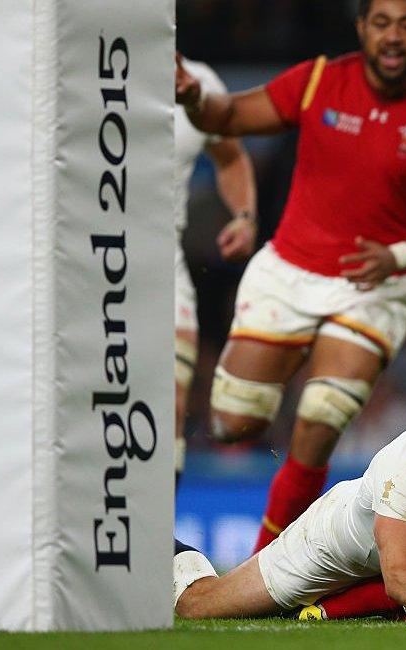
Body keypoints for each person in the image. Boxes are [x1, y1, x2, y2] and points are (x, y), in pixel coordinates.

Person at [175, 0, 406, 553]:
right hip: (289, 272)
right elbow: (229, 117)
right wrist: (195, 97)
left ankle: (266, 564)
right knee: (231, 424)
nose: (393, 37)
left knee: (321, 416)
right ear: (361, 27)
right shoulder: (317, 82)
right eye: (381, 23)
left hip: (372, 286)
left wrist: (400, 255)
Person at [173, 350, 406, 623]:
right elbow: (400, 578)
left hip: (393, 558)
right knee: (200, 606)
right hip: (330, 545)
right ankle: (168, 548)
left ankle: (339, 604)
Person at [172, 57, 258, 486]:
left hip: (161, 262)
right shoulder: (80, 68)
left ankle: (154, 539)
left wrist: (243, 215)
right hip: (82, 261)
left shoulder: (199, 82)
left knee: (167, 408)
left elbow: (230, 158)